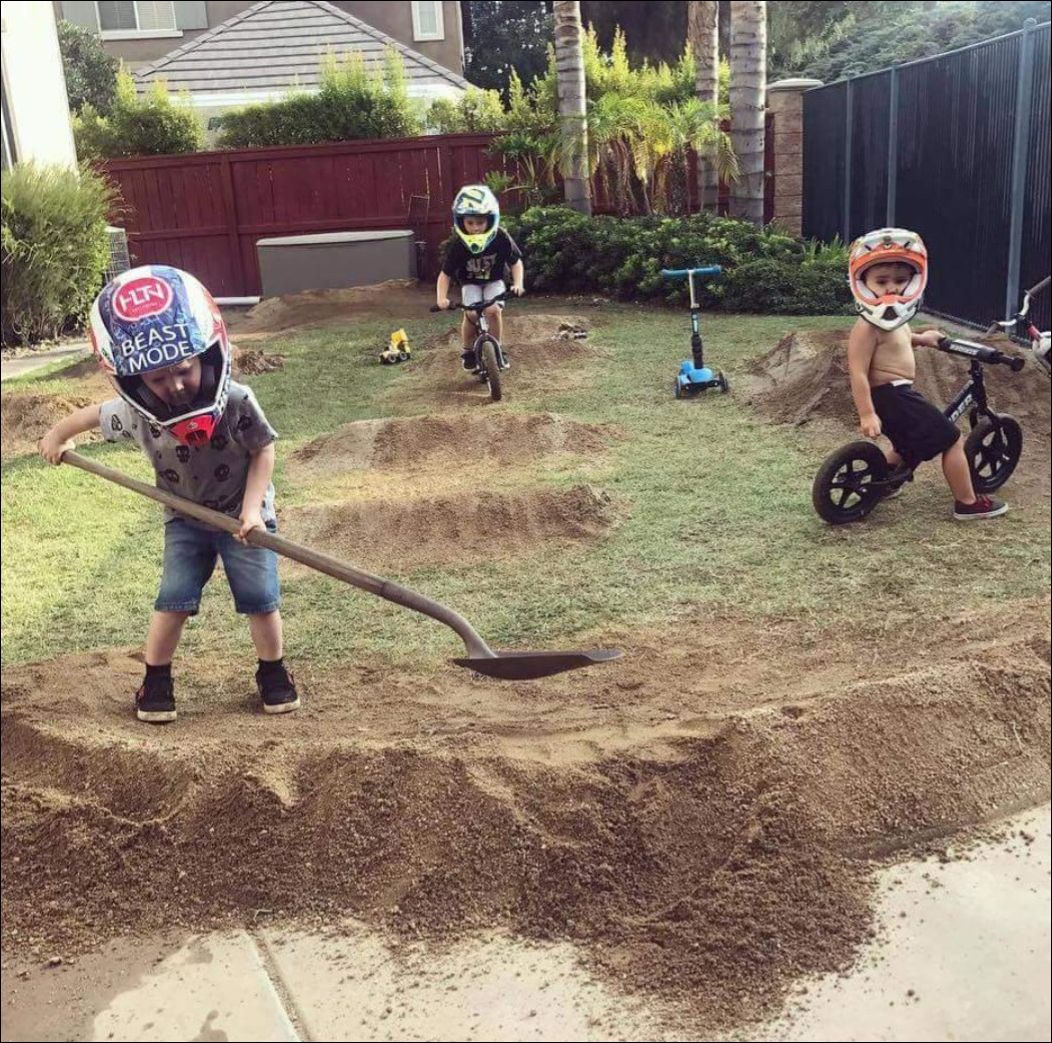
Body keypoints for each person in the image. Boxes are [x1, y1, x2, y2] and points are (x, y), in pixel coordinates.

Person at [39, 265, 301, 722]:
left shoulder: (236, 401)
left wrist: (252, 511)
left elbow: (263, 450)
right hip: (185, 520)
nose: (175, 386)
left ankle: (273, 673)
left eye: (183, 370)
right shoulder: (138, 413)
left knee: (260, 598)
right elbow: (91, 416)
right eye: (158, 380)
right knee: (174, 597)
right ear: (134, 382)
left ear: (207, 355)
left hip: (245, 517)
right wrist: (57, 436)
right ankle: (156, 680)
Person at [846, 228, 1007, 520]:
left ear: (913, 282)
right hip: (892, 396)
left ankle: (884, 482)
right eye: (881, 281)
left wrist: (922, 338)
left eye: (900, 280)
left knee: (907, 445)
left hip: (895, 395)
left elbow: (900, 340)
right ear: (863, 283)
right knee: (951, 439)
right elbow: (857, 372)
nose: (892, 288)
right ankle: (967, 503)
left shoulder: (893, 320)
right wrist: (866, 414)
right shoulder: (866, 326)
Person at [436, 184, 525, 370]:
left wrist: (518, 283)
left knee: (493, 311)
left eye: (480, 222)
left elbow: (516, 262)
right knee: (471, 314)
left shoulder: (501, 237)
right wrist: (441, 298)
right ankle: (468, 351)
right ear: (461, 221)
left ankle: (497, 349)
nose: (475, 228)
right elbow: (445, 274)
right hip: (470, 283)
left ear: (490, 220)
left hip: (495, 280)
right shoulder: (459, 245)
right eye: (470, 223)